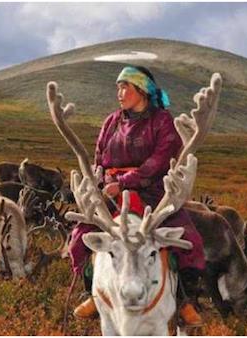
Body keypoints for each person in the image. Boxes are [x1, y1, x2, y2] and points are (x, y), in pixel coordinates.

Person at [69, 65, 205, 326]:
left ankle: (185, 298)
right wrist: (99, 182)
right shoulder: (112, 121)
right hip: (110, 194)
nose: (119, 93)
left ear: (141, 90)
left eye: (125, 87)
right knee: (81, 236)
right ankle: (93, 295)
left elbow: (159, 161)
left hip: (152, 192)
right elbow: (99, 157)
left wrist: (123, 183)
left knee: (187, 236)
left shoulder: (162, 122)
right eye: (118, 88)